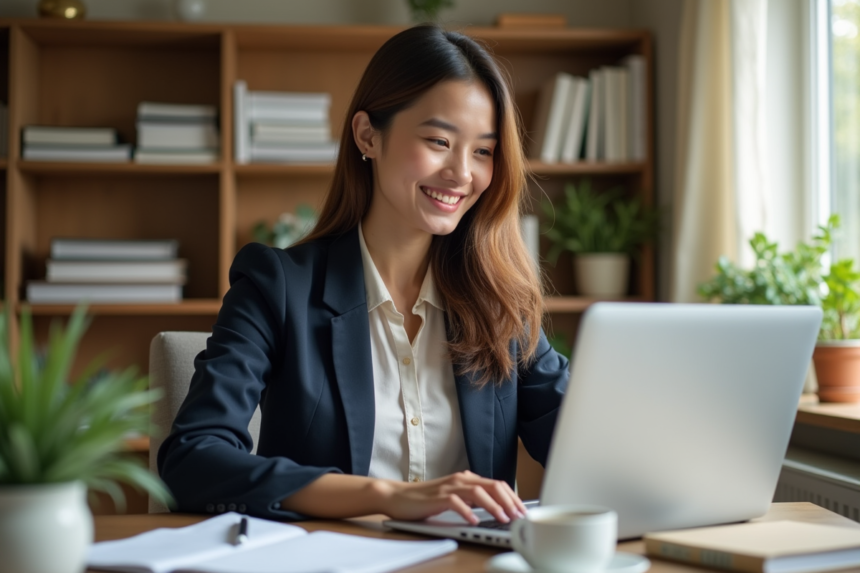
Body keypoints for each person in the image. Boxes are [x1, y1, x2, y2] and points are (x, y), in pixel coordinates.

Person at [158, 24, 569, 526]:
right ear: (367, 136)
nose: (463, 173)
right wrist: (384, 496)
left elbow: (585, 444)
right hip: (331, 557)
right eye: (439, 141)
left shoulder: (501, 304)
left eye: (483, 151)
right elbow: (192, 459)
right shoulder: (277, 287)